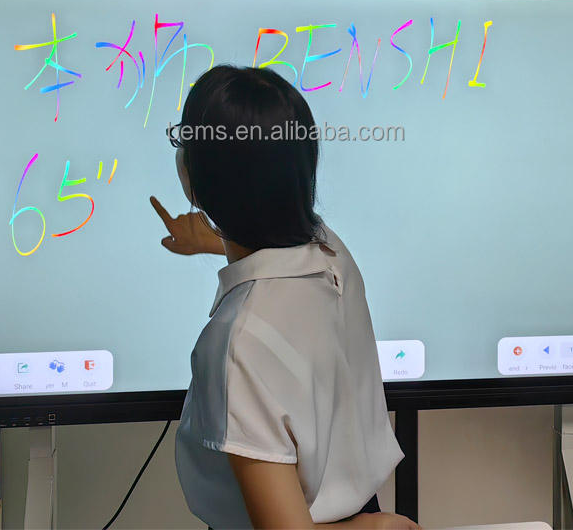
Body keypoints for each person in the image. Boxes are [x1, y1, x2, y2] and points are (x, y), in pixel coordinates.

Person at [150, 65, 418, 530]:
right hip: (353, 505)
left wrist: (380, 527)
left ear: (199, 178)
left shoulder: (238, 344)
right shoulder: (329, 250)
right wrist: (210, 239)